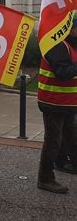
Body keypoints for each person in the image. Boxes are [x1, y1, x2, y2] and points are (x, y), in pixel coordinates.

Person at [37, 15, 77, 194]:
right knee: (53, 141)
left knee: (71, 137)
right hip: (54, 102)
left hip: (67, 102)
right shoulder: (57, 45)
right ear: (70, 28)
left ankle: (68, 164)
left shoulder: (69, 45)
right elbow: (63, 73)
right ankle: (45, 178)